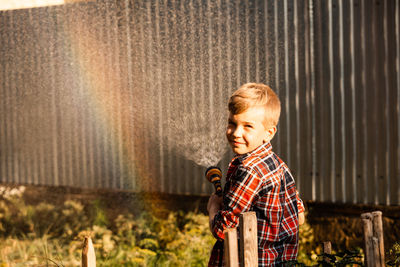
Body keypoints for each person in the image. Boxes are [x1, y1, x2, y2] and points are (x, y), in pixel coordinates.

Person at [207, 83, 305, 266]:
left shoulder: (249, 171)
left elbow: (223, 230)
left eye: (248, 126)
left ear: (269, 133)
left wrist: (213, 207)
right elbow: (299, 217)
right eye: (232, 123)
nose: (236, 133)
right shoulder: (279, 166)